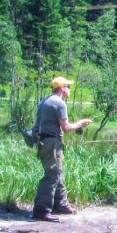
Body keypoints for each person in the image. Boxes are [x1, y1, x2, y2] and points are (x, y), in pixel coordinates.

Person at [32, 76, 93, 222]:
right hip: (51, 143)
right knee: (52, 175)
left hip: (44, 142)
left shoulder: (45, 101)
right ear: (61, 88)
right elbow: (66, 128)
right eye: (68, 86)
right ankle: (41, 211)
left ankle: (60, 205)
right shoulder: (59, 104)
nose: (70, 89)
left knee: (58, 173)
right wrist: (80, 123)